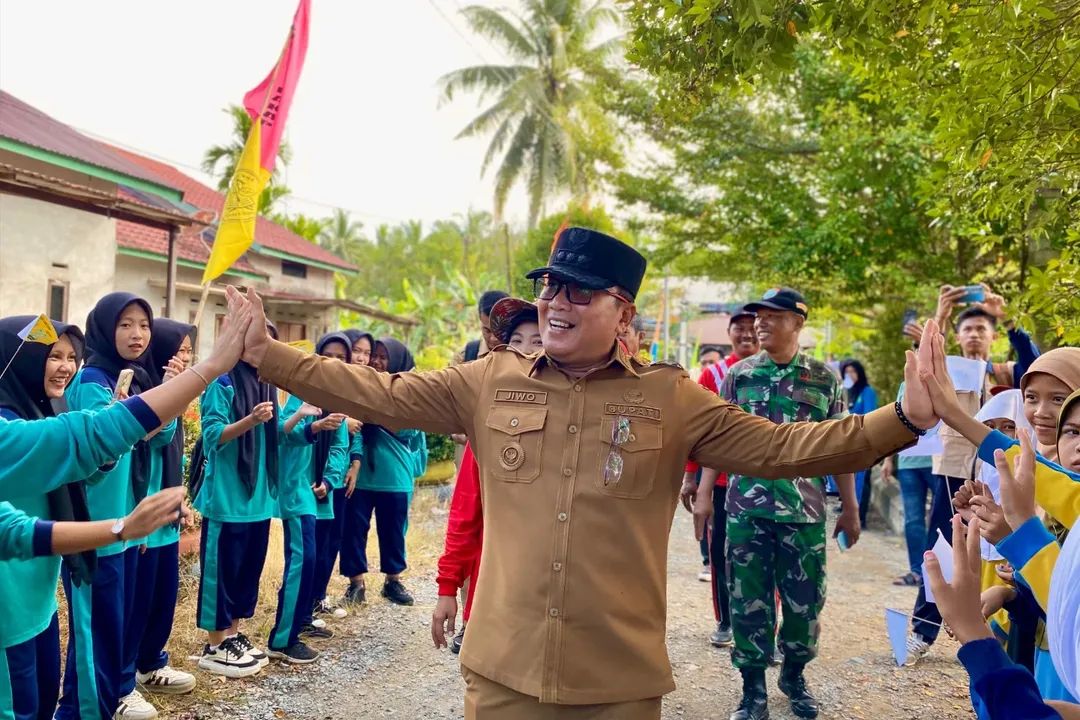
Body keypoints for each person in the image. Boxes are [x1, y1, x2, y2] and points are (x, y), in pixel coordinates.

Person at [235, 228, 936, 720]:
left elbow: (787, 449)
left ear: (621, 311)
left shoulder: (671, 399)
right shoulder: (489, 382)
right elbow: (376, 393)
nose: (556, 302)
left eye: (578, 292)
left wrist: (904, 419)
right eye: (549, 287)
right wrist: (269, 354)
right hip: (503, 671)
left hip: (617, 685)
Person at [693, 287, 859, 720]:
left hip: (803, 513)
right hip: (746, 510)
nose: (761, 323)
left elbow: (843, 449)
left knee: (805, 603)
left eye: (773, 316)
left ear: (798, 323)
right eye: (758, 317)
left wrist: (851, 508)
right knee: (748, 601)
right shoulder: (739, 376)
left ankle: (794, 674)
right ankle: (753, 691)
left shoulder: (824, 379)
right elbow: (718, 439)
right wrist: (705, 495)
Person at [59, 292, 164, 720]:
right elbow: (99, 453)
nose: (136, 334)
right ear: (104, 328)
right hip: (92, 531)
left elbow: (152, 436)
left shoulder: (130, 377)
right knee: (93, 637)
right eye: (125, 324)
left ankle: (100, 705)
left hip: (118, 529)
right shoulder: (91, 382)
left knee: (109, 631)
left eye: (143, 324)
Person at [433, 298, 543, 655]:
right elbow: (466, 512)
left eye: (538, 341)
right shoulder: (492, 421)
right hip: (496, 597)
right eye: (516, 342)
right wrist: (448, 586)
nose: (526, 351)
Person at [194, 323, 284, 679]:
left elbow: (276, 435)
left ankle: (232, 634)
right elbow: (212, 435)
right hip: (227, 499)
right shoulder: (222, 381)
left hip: (258, 499)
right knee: (222, 574)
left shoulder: (266, 381)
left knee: (247, 571)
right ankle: (215, 644)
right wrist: (250, 420)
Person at [123, 319, 198, 700]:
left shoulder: (176, 393)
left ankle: (151, 663)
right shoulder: (144, 391)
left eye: (188, 351)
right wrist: (169, 392)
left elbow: (174, 454)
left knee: (162, 595)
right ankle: (124, 677)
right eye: (178, 350)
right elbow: (143, 449)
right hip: (142, 512)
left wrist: (178, 498)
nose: (184, 357)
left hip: (166, 512)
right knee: (136, 600)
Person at [680, 305, 758, 647]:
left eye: (751, 326)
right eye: (738, 328)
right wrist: (692, 479)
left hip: (763, 481)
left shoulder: (774, 374)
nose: (746, 333)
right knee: (723, 551)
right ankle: (725, 620)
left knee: (761, 555)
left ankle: (759, 624)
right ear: (729, 335)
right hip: (724, 484)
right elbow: (698, 432)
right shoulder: (713, 375)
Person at [269, 333, 349, 664]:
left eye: (341, 357)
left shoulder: (340, 397)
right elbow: (283, 435)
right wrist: (312, 427)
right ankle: (282, 639)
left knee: (311, 560)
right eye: (328, 355)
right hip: (295, 490)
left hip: (318, 494)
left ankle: (299, 622)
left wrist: (330, 482)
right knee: (301, 560)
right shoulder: (301, 394)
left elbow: (341, 445)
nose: (334, 361)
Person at [338, 338, 427, 607]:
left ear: (398, 360)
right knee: (353, 530)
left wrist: (375, 412)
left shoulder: (408, 391)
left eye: (382, 357)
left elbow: (411, 429)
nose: (376, 361)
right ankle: (356, 584)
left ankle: (393, 581)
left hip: (395, 475)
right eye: (373, 355)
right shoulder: (360, 387)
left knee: (393, 530)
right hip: (361, 474)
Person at [334, 329, 375, 609]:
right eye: (356, 351)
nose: (361, 358)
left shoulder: (360, 383)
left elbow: (358, 429)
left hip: (348, 467)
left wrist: (356, 463)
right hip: (323, 468)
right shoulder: (331, 381)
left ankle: (357, 583)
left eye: (366, 353)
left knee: (352, 528)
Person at [838, 360, 879, 528]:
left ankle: (861, 516)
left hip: (864, 441)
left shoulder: (867, 391)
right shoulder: (845, 392)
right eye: (847, 372)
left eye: (853, 371)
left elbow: (870, 415)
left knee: (862, 479)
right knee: (847, 478)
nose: (850, 375)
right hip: (846, 442)